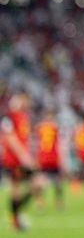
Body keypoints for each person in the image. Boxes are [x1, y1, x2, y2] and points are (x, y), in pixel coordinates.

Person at [2, 94, 37, 231]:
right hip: (14, 160)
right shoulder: (9, 117)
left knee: (37, 185)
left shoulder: (24, 117)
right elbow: (11, 138)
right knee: (17, 189)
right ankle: (15, 218)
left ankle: (16, 216)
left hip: (21, 159)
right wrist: (24, 156)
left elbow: (24, 139)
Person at [34, 112, 64, 210]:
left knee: (42, 181)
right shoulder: (55, 127)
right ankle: (58, 203)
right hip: (52, 158)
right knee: (57, 182)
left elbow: (35, 143)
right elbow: (60, 143)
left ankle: (40, 203)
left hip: (43, 158)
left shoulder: (39, 127)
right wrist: (61, 158)